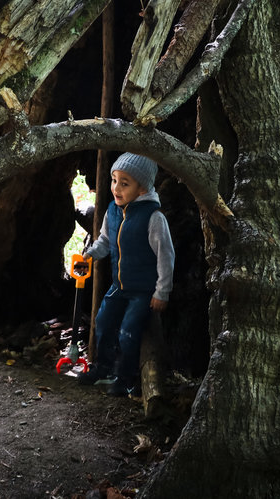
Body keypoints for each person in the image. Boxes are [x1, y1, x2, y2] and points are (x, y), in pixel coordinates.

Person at [77, 152, 174, 398]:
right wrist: (90, 254)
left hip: (143, 290)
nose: (116, 188)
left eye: (124, 183)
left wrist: (161, 291)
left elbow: (166, 255)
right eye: (114, 180)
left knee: (128, 333)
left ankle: (126, 378)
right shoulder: (113, 210)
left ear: (142, 189)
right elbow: (105, 240)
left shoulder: (153, 217)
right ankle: (104, 367)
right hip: (119, 286)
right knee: (103, 322)